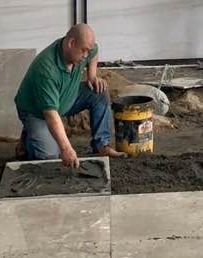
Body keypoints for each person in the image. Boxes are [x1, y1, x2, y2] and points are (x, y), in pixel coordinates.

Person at [14, 23, 125, 168]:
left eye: (88, 51)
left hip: (64, 97)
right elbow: (51, 114)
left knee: (99, 91)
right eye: (83, 51)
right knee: (48, 157)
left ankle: (101, 146)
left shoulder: (82, 49)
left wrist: (92, 76)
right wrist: (66, 148)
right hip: (38, 111)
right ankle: (28, 138)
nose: (86, 55)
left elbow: (94, 51)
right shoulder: (46, 69)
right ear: (71, 43)